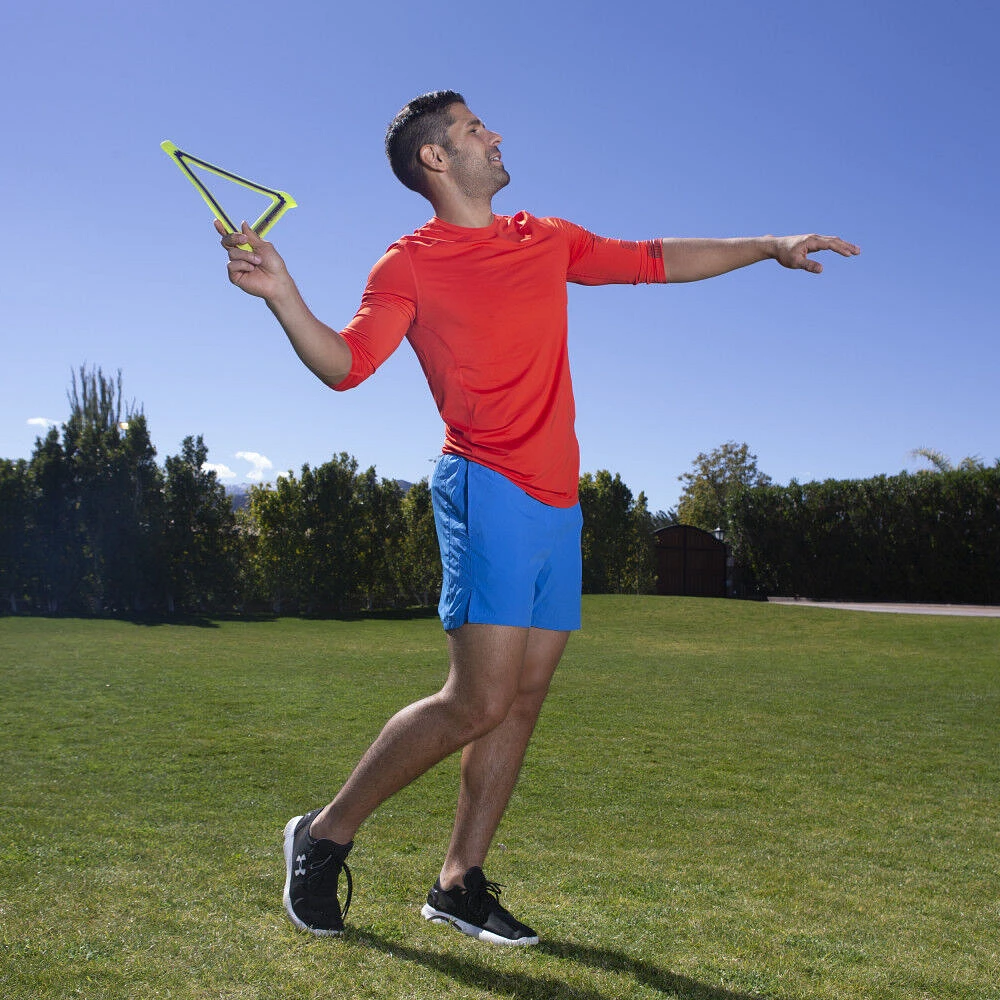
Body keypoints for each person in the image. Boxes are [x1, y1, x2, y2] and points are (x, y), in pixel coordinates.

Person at [217, 89, 859, 946]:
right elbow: (347, 364)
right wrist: (283, 295)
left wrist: (768, 245)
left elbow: (654, 257)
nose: (496, 134)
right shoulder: (407, 264)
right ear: (437, 160)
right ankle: (323, 836)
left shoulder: (542, 237)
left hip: (560, 498)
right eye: (476, 129)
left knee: (521, 699)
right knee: (476, 700)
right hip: (485, 487)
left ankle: (457, 882)